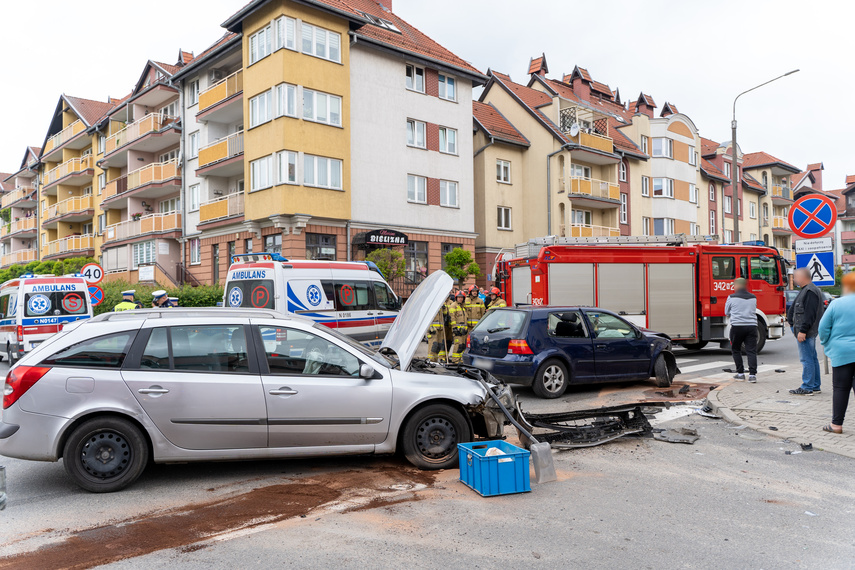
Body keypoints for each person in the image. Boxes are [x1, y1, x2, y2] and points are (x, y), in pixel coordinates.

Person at [818, 272, 855, 433]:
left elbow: (823, 328)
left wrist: (827, 343)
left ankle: (836, 425)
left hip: (841, 352)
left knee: (840, 388)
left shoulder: (836, 304)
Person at [786, 267, 825, 395]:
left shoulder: (810, 291)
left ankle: (807, 386)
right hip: (805, 331)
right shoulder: (807, 290)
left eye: (796, 277)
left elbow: (810, 314)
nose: (795, 279)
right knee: (812, 358)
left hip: (806, 332)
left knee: (806, 358)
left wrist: (802, 331)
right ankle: (814, 385)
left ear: (803, 277)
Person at [725, 278, 758, 382]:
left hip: (737, 327)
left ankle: (740, 373)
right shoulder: (753, 297)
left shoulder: (731, 297)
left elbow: (726, 312)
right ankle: (752, 375)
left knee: (736, 349)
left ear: (738, 286)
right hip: (752, 327)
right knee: (751, 351)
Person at [449, 290, 468, 364]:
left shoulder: (463, 306)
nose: (460, 299)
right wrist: (454, 328)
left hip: (464, 330)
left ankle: (461, 360)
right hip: (457, 330)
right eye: (459, 297)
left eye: (461, 297)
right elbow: (452, 317)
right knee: (458, 345)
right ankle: (455, 360)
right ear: (456, 298)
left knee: (463, 345)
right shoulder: (453, 305)